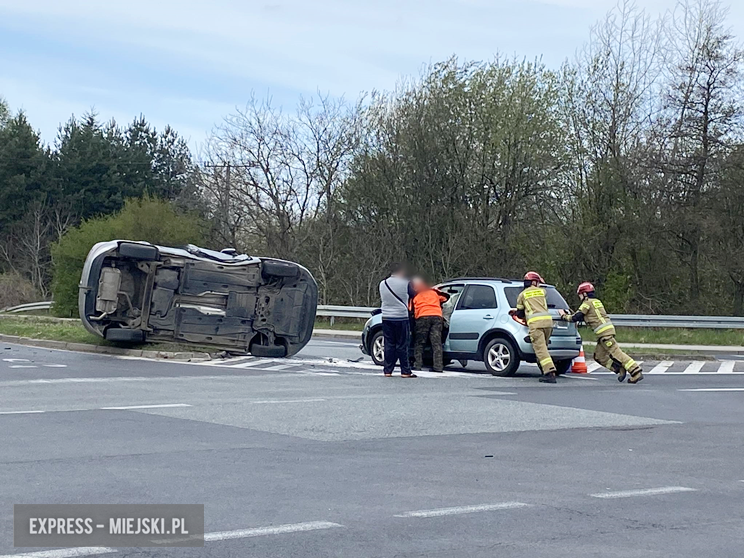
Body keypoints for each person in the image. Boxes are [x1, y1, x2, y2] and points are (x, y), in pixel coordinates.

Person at [559, 282, 644, 384]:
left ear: (585, 294)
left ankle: (635, 371)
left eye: (580, 294)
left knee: (616, 353)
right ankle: (619, 368)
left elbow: (576, 317)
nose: (579, 297)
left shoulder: (587, 303)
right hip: (605, 332)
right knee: (599, 357)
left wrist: (564, 316)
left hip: (604, 334)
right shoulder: (596, 301)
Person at [511, 271, 557, 383]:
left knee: (541, 350)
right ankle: (543, 368)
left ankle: (550, 372)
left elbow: (520, 313)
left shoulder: (522, 295)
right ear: (534, 282)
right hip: (548, 323)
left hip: (536, 325)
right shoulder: (543, 291)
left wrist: (515, 313)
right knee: (543, 347)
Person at [378, 263, 417, 378]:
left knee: (389, 344)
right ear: (401, 271)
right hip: (401, 317)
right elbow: (413, 294)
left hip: (386, 317)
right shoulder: (406, 283)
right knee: (402, 345)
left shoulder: (382, 284)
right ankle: (405, 371)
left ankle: (387, 371)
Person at [411, 278, 450, 373]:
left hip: (422, 317)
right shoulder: (434, 292)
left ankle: (418, 365)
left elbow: (410, 308)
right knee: (436, 343)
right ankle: (438, 366)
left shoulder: (414, 295)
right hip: (437, 317)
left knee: (420, 343)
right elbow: (445, 298)